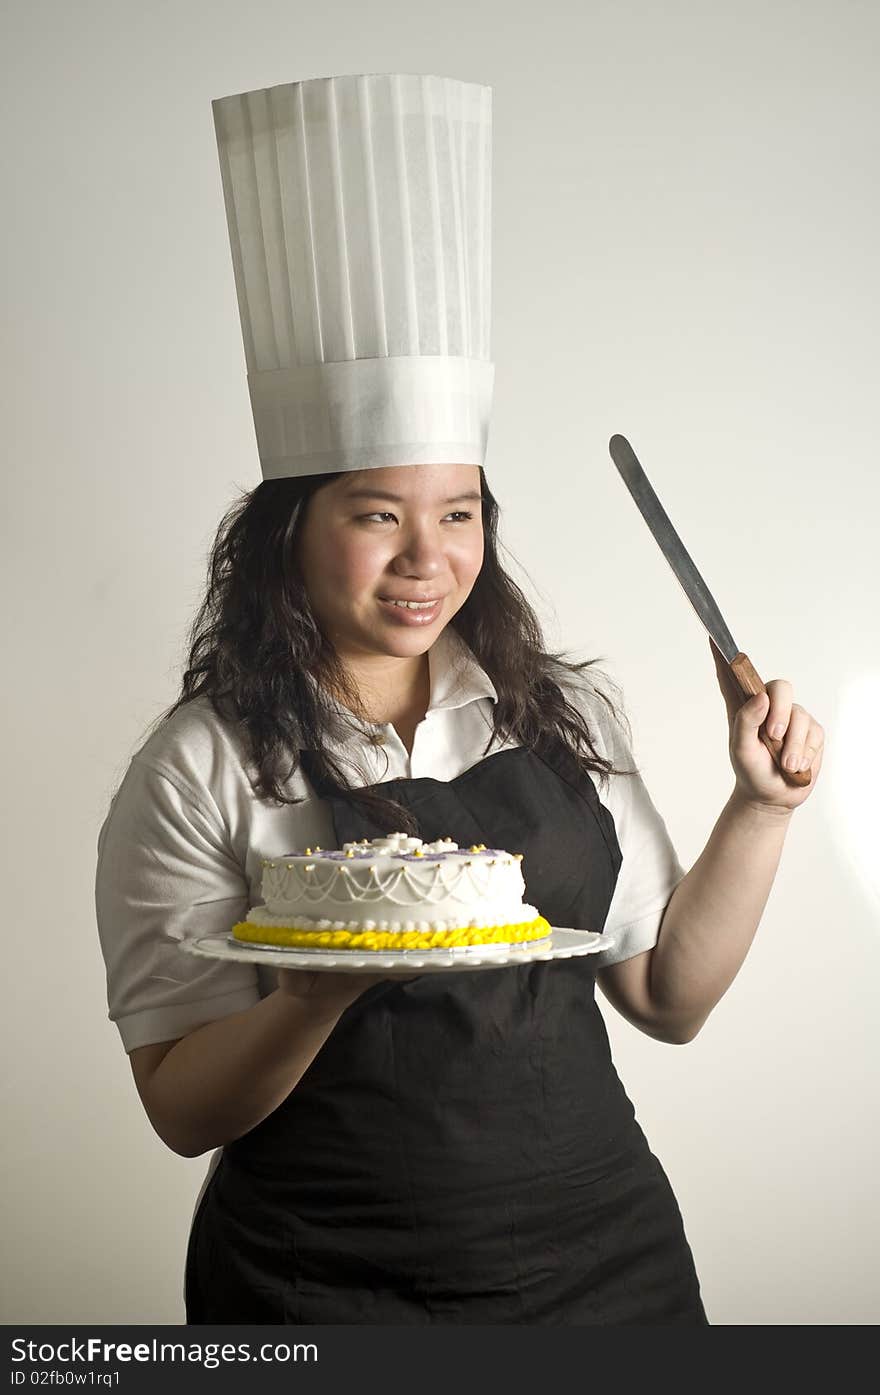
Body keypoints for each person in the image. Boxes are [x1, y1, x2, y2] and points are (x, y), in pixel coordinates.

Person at [94, 73, 824, 1325]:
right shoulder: (201, 765)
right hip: (320, 1286)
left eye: (458, 515)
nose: (426, 560)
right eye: (377, 514)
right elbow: (179, 1109)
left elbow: (667, 1003)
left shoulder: (560, 717)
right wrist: (317, 992)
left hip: (605, 1263)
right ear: (288, 531)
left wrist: (758, 811)